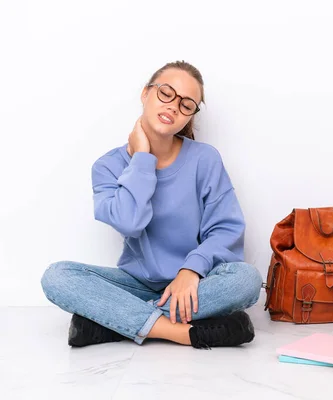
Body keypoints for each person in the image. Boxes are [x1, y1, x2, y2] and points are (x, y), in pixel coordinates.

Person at [41, 60, 262, 349]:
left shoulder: (204, 159)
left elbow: (225, 229)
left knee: (246, 278)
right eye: (166, 93)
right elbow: (129, 222)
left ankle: (111, 324)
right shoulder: (107, 167)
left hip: (196, 283)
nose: (173, 106)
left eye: (186, 104)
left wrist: (190, 271)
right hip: (136, 284)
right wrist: (142, 159)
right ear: (146, 93)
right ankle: (180, 332)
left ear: (190, 116)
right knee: (57, 277)